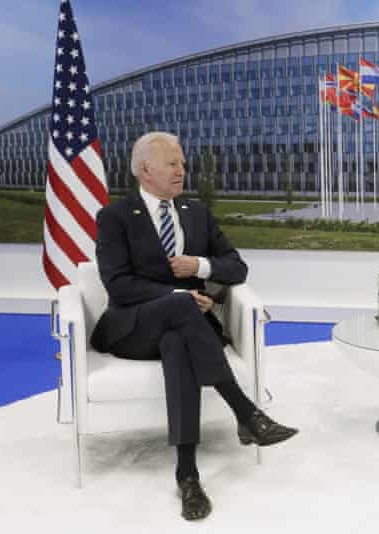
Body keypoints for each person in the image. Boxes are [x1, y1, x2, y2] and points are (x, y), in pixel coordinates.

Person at [91, 132, 298, 521]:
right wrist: (180, 294)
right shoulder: (115, 216)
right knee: (180, 308)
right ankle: (245, 412)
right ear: (145, 170)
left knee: (178, 344)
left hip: (184, 329)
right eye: (172, 164)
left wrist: (200, 266)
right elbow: (118, 284)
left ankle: (187, 476)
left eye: (182, 164)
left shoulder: (196, 212)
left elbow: (236, 268)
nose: (181, 171)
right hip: (133, 327)